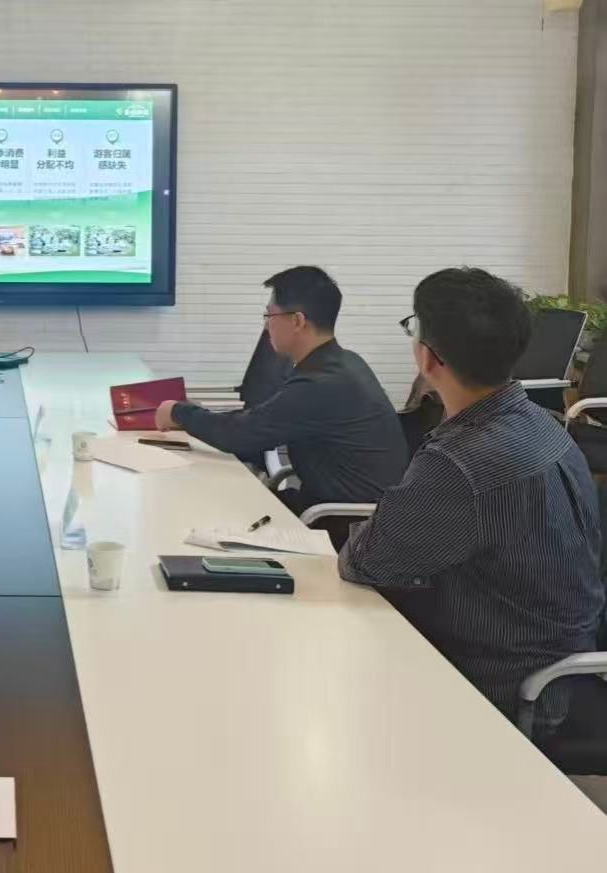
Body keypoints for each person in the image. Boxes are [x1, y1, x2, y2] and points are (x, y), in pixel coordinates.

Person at [339, 267, 604, 731]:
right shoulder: (544, 426)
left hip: (504, 687)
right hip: (560, 663)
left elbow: (365, 562)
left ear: (428, 358)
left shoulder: (461, 460)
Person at [154, 266, 408, 511]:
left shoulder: (321, 384)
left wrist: (178, 413)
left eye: (270, 316)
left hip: (339, 521)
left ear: (297, 321)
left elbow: (241, 435)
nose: (267, 326)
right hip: (335, 505)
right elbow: (259, 422)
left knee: (200, 502)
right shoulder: (344, 363)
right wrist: (196, 418)